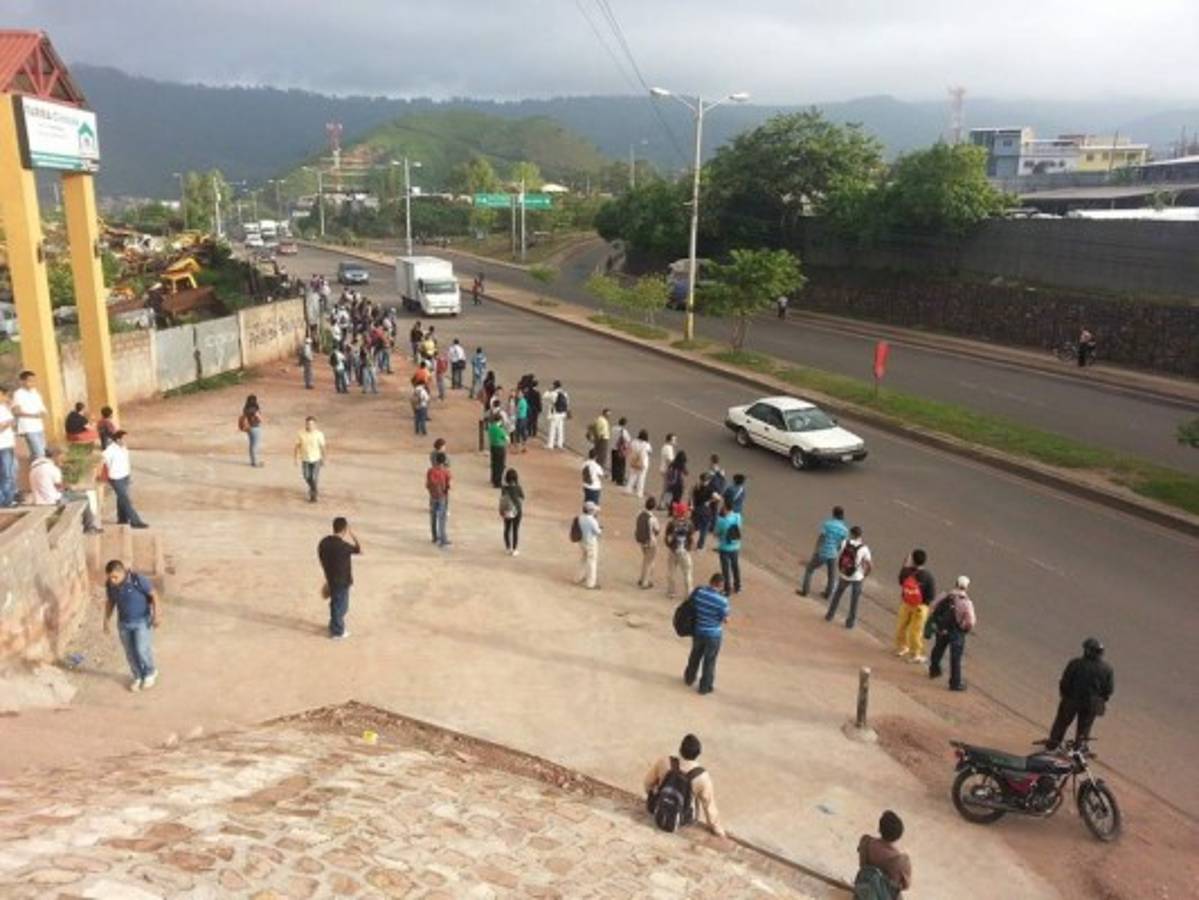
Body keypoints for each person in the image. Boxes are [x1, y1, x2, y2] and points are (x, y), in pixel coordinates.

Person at [643, 734, 726, 838]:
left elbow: (647, 784)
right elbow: (708, 805)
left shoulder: (664, 762)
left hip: (660, 807)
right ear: (698, 753)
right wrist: (717, 829)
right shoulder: (702, 777)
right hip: (684, 818)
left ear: (680, 749)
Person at [103, 560, 160, 692]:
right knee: (130, 652)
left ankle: (150, 672)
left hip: (142, 621)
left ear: (122, 573)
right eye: (110, 577)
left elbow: (154, 595)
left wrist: (157, 615)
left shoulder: (137, 580)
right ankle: (138, 676)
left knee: (141, 649)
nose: (112, 580)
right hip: (123, 623)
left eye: (114, 577)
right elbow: (110, 602)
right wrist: (106, 620)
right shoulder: (110, 585)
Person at [1047, 638, 1114, 749]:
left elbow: (1065, 682)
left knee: (1061, 723)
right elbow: (1109, 689)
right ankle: (1078, 750)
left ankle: (1053, 745)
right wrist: (1100, 699)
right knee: (1084, 728)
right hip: (1092, 704)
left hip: (1072, 700)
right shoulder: (1107, 669)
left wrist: (1065, 695)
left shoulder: (1075, 664)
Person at [29, 447, 101, 532]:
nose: (62, 461)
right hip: (53, 500)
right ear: (55, 456)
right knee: (84, 497)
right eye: (61, 458)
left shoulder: (35, 467)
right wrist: (73, 487)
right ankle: (89, 527)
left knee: (75, 494)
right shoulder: (51, 468)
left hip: (39, 500)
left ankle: (89, 525)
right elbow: (60, 486)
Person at [927, 575, 976, 691]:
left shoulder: (945, 595)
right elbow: (970, 622)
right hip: (956, 631)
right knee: (955, 657)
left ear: (955, 584)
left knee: (938, 648)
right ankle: (955, 683)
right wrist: (964, 628)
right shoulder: (966, 603)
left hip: (943, 628)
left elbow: (933, 605)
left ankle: (934, 670)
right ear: (966, 588)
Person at [685, 574, 729, 694]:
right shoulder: (723, 601)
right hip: (713, 634)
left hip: (698, 630)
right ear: (721, 585)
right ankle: (704, 687)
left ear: (710, 581)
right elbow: (725, 619)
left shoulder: (699, 593)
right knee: (709, 661)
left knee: (695, 655)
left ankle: (689, 678)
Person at [317, 517, 361, 639]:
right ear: (345, 529)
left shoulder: (324, 542)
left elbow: (320, 556)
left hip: (331, 577)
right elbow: (360, 550)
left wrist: (326, 574)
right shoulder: (343, 546)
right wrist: (353, 534)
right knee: (341, 605)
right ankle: (337, 631)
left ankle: (334, 624)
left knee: (337, 604)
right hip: (342, 580)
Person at [856, 810, 912, 898]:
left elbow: (861, 864)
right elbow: (905, 886)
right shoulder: (901, 861)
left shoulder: (865, 843)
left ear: (879, 829)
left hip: (864, 892)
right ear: (898, 835)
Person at [825, 525, 872, 629]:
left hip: (844, 574)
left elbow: (837, 551)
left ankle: (830, 615)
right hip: (857, 577)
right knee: (854, 601)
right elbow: (869, 565)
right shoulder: (864, 548)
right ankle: (850, 623)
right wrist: (865, 575)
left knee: (837, 596)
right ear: (860, 535)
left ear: (852, 534)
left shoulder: (844, 542)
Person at [895, 549, 936, 664]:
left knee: (901, 626)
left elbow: (901, 582)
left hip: (906, 602)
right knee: (916, 631)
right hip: (920, 606)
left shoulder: (906, 572)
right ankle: (915, 654)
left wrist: (905, 565)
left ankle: (901, 647)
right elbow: (931, 594)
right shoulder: (928, 576)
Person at [798, 506, 848, 599]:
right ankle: (828, 594)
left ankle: (805, 591)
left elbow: (821, 538)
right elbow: (842, 544)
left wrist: (816, 550)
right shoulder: (845, 530)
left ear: (833, 514)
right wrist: (836, 551)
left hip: (823, 552)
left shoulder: (827, 524)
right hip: (833, 554)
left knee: (809, 569)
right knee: (831, 575)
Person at [101, 430, 148, 529]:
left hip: (125, 476)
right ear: (118, 440)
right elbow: (103, 460)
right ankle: (135, 521)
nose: (127, 441)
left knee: (121, 498)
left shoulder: (124, 448)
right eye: (124, 439)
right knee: (125, 499)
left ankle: (122, 519)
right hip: (116, 478)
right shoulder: (110, 451)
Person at [11, 370, 47, 460]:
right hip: (28, 427)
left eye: (34, 380)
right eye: (30, 380)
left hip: (39, 426)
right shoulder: (18, 394)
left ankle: (34, 470)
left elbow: (41, 407)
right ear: (22, 381)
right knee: (40, 453)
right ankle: (41, 471)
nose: (33, 383)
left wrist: (43, 412)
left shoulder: (35, 393)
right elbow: (16, 412)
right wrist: (33, 415)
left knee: (38, 451)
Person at [664, 502, 695, 599]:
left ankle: (671, 592)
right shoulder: (689, 523)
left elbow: (667, 537)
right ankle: (689, 594)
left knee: (671, 572)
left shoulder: (672, 523)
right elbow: (691, 538)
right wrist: (689, 548)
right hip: (685, 551)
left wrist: (669, 545)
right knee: (687, 573)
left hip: (674, 550)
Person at [294, 416, 327, 502]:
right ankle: (314, 488)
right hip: (305, 459)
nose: (310, 425)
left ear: (315, 425)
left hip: (316, 459)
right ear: (306, 424)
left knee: (314, 478)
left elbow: (322, 447)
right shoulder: (300, 433)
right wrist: (295, 458)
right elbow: (297, 446)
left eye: (312, 424)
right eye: (308, 424)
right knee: (306, 476)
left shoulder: (319, 434)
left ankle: (313, 496)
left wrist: (324, 459)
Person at [713, 500, 743, 595]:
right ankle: (737, 586)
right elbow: (739, 527)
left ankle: (727, 589)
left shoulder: (722, 521)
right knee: (735, 566)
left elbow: (716, 533)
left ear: (725, 508)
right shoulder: (738, 516)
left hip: (725, 547)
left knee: (726, 569)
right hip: (736, 546)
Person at [574, 500, 602, 589]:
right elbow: (598, 532)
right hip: (591, 543)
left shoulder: (580, 518)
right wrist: (600, 528)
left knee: (583, 559)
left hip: (582, 542)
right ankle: (591, 583)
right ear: (590, 511)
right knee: (592, 562)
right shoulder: (592, 521)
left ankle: (578, 578)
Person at [426, 451, 451, 548]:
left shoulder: (431, 471)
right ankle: (443, 538)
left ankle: (434, 536)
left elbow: (428, 483)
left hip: (433, 496)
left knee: (433, 516)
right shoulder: (445, 472)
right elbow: (448, 483)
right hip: (442, 496)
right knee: (442, 517)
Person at [635, 497, 660, 589]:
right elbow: (657, 530)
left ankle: (642, 579)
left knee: (646, 560)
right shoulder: (653, 518)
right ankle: (645, 582)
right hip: (651, 542)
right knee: (649, 562)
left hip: (642, 541)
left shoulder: (639, 514)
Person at [689, 473, 719, 551]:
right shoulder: (710, 489)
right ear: (708, 480)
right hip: (705, 511)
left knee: (692, 528)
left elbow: (691, 495)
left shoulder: (696, 486)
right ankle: (700, 546)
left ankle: (688, 542)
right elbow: (719, 498)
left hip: (696, 510)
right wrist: (709, 501)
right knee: (704, 530)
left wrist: (692, 505)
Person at [500, 468, 525, 556]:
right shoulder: (518, 488)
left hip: (507, 510)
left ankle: (508, 547)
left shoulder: (504, 488)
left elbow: (503, 498)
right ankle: (514, 549)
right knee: (515, 530)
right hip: (517, 511)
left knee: (507, 529)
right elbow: (522, 498)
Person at [626, 429, 652, 498]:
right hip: (643, 463)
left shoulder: (634, 442)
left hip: (634, 461)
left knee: (632, 476)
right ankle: (639, 493)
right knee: (641, 478)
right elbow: (649, 452)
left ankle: (628, 489)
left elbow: (630, 449)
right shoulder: (646, 444)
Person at [0, 385, 15, 508]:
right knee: (6, 474)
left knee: (10, 473)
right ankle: (5, 501)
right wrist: (6, 424)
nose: (5, 397)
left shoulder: (4, 408)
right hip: (2, 446)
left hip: (8, 444)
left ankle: (8, 499)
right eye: (3, 394)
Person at [239, 395, 264, 467]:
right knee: (255, 446)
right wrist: (260, 419)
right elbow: (259, 418)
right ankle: (255, 462)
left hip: (249, 428)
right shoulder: (254, 408)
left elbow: (243, 417)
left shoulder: (246, 409)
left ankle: (253, 461)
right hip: (255, 428)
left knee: (251, 445)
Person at [544, 380, 569, 450]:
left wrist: (549, 390)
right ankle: (560, 444)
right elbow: (567, 402)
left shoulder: (553, 393)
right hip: (562, 414)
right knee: (560, 429)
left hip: (555, 413)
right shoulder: (564, 393)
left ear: (554, 385)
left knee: (552, 429)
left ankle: (550, 444)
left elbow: (544, 396)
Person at [487, 412, 509, 488]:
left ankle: (493, 479)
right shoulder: (500, 429)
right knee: (500, 465)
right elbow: (507, 439)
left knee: (494, 463)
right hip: (500, 447)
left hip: (493, 446)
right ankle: (498, 482)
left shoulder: (491, 428)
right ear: (500, 420)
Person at [587, 409, 611, 474]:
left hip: (600, 439)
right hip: (602, 439)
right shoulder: (602, 421)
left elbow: (591, 426)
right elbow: (600, 432)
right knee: (602, 456)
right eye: (608, 414)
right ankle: (599, 470)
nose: (609, 416)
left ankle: (596, 468)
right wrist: (598, 439)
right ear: (604, 413)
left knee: (599, 454)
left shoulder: (599, 419)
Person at [611, 416, 630, 487]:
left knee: (614, 463)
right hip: (620, 450)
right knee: (621, 465)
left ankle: (614, 477)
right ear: (625, 424)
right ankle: (620, 480)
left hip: (613, 448)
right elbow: (628, 440)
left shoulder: (613, 428)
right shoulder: (624, 431)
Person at [658, 433, 676, 503]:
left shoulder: (665, 447)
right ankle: (663, 503)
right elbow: (670, 460)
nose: (675, 441)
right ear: (670, 440)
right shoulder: (669, 448)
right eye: (674, 440)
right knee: (667, 488)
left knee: (666, 487)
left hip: (664, 469)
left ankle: (664, 502)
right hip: (667, 470)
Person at [513, 387, 530, 453]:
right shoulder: (524, 401)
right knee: (523, 434)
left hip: (520, 419)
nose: (518, 395)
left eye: (519, 394)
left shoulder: (520, 402)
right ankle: (524, 448)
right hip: (524, 418)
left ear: (522, 394)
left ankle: (517, 449)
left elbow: (516, 410)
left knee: (518, 434)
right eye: (518, 394)